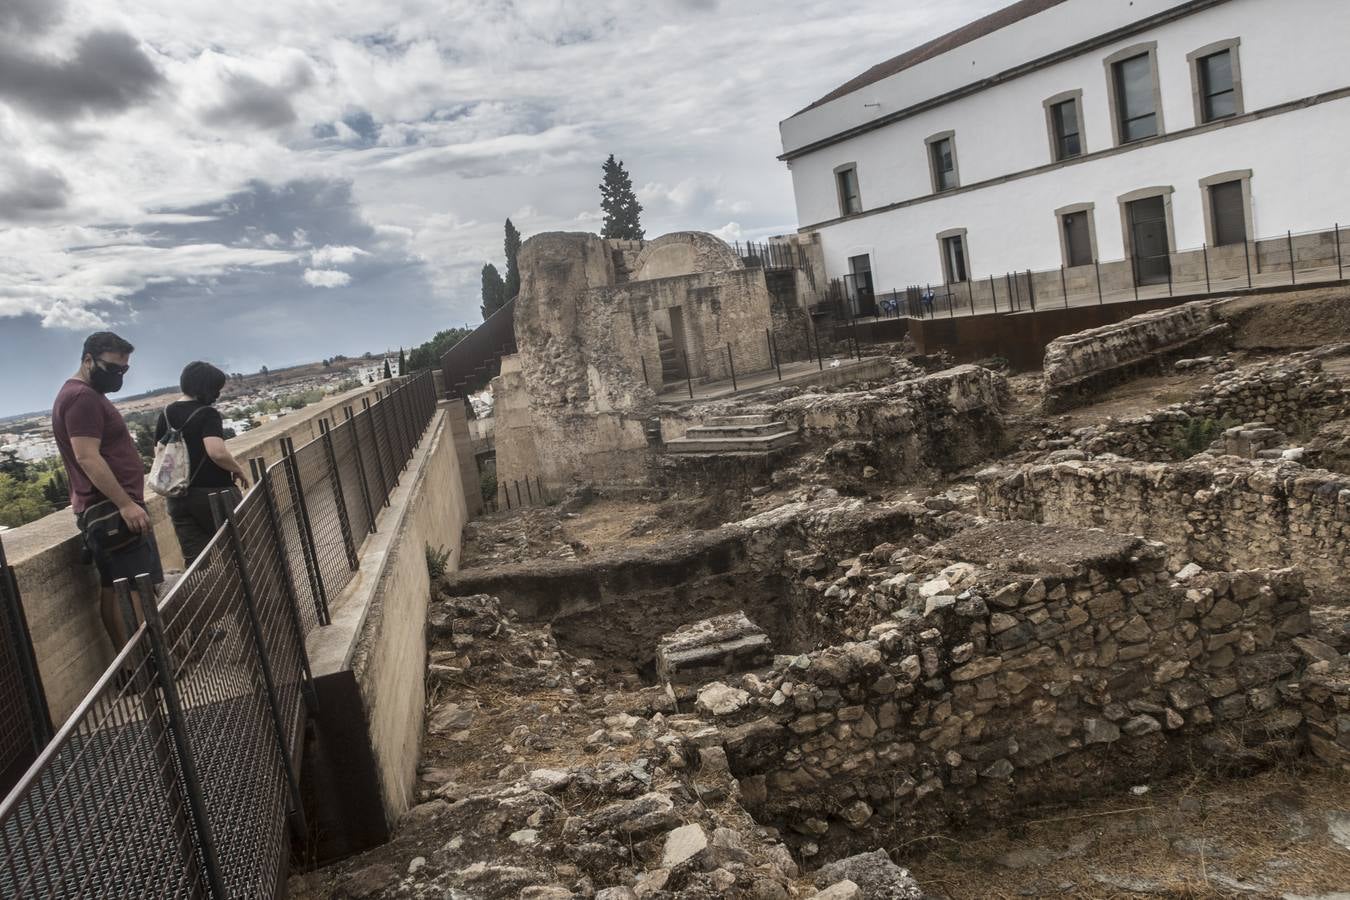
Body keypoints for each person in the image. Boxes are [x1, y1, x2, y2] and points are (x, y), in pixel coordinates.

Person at [51, 331, 163, 650]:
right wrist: (125, 504)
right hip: (110, 508)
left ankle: (134, 663)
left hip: (107, 507)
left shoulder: (82, 395)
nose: (119, 377)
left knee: (116, 586)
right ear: (88, 360)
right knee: (129, 589)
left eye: (124, 370)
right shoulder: (81, 398)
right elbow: (87, 456)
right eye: (113, 369)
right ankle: (142, 664)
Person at [155, 361, 249, 566]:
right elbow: (216, 451)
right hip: (214, 494)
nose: (217, 395)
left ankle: (211, 597)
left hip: (178, 496)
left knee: (197, 562)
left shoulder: (165, 414)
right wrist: (237, 468)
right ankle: (248, 596)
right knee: (240, 550)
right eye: (216, 389)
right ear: (206, 388)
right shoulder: (207, 414)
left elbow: (159, 453)